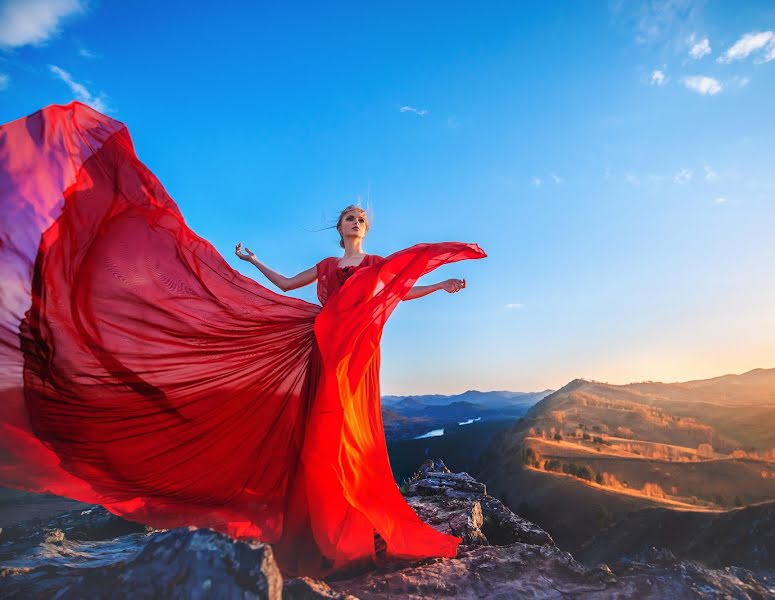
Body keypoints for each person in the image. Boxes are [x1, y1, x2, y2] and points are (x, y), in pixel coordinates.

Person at [0, 101, 487, 579]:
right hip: (323, 346)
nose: (356, 221)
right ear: (338, 229)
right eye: (348, 217)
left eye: (362, 218)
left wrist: (441, 286)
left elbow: (399, 291)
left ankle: (356, 519)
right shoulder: (323, 267)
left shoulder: (376, 266)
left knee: (352, 432)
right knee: (321, 433)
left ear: (367, 228)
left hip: (357, 352)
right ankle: (321, 525)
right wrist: (253, 263)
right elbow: (284, 287)